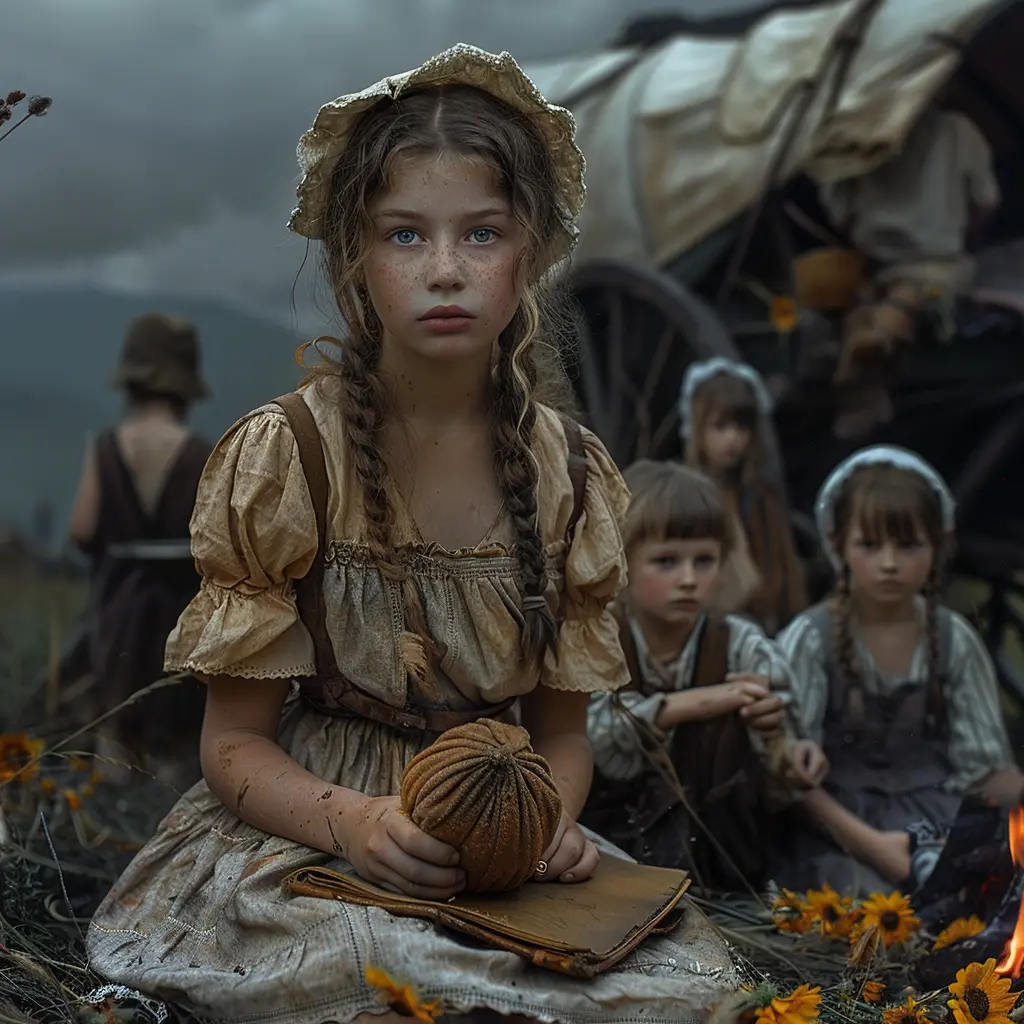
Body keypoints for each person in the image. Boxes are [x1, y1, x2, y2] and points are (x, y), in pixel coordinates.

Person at [86, 45, 740, 1024]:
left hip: (500, 825)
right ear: (355, 254)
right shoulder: (290, 458)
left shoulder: (570, 479)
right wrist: (353, 821)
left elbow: (562, 735)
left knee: (683, 990)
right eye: (404, 236)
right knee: (384, 981)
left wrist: (550, 818)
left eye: (481, 234)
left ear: (531, 253)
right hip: (310, 828)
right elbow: (231, 745)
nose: (444, 270)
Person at [776, 445, 1024, 896]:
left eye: (908, 545)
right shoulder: (811, 639)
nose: (889, 563)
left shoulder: (951, 639)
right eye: (870, 545)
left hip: (938, 817)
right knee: (870, 904)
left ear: (937, 547)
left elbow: (984, 771)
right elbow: (790, 782)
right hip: (842, 829)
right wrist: (877, 848)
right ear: (838, 544)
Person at [582, 460, 827, 892]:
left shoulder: (738, 643)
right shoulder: (599, 639)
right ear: (622, 561)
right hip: (611, 843)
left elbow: (780, 758)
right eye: (666, 561)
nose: (689, 579)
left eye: (705, 560)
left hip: (722, 852)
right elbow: (594, 740)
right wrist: (691, 704)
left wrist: (784, 747)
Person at [68, 313, 212, 787]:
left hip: (117, 627)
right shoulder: (200, 453)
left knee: (114, 752)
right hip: (182, 631)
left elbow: (82, 530)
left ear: (130, 378)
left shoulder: (106, 448)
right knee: (178, 764)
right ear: (186, 384)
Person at [819, 106, 1001, 438]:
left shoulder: (854, 135)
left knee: (886, 304)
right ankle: (872, 356)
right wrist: (967, 236)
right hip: (939, 270)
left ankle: (869, 357)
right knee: (915, 297)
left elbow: (839, 216)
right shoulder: (959, 130)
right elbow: (986, 203)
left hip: (877, 271)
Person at [679, 358, 808, 635]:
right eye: (721, 426)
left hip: (761, 618)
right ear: (698, 429)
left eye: (742, 428)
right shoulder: (689, 497)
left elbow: (780, 566)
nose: (733, 439)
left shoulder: (759, 498)